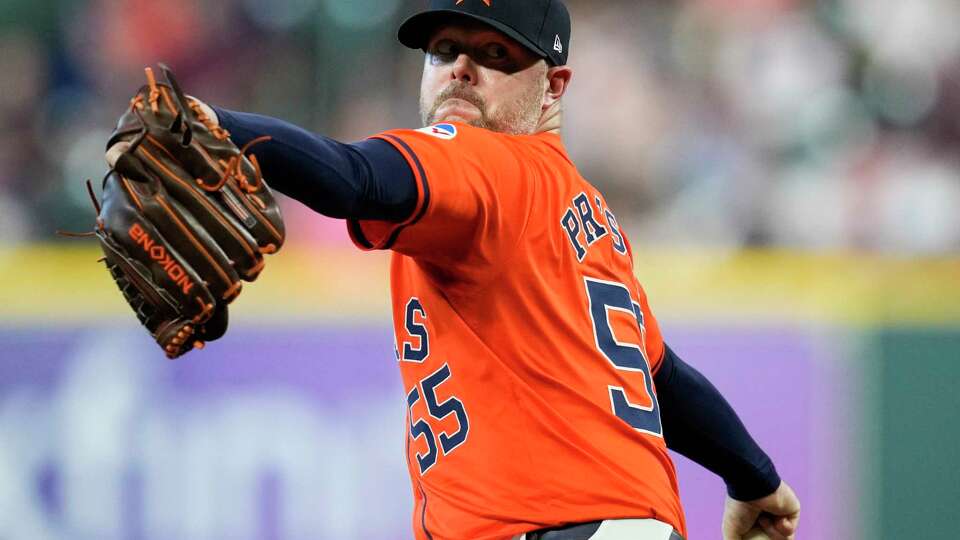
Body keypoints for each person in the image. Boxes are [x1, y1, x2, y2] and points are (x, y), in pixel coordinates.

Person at [108, 1, 801, 539]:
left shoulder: (484, 162)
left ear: (553, 85)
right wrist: (755, 479)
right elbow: (661, 378)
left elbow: (354, 177)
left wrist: (205, 120)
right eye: (445, 50)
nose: (462, 68)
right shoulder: (578, 209)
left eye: (496, 54)